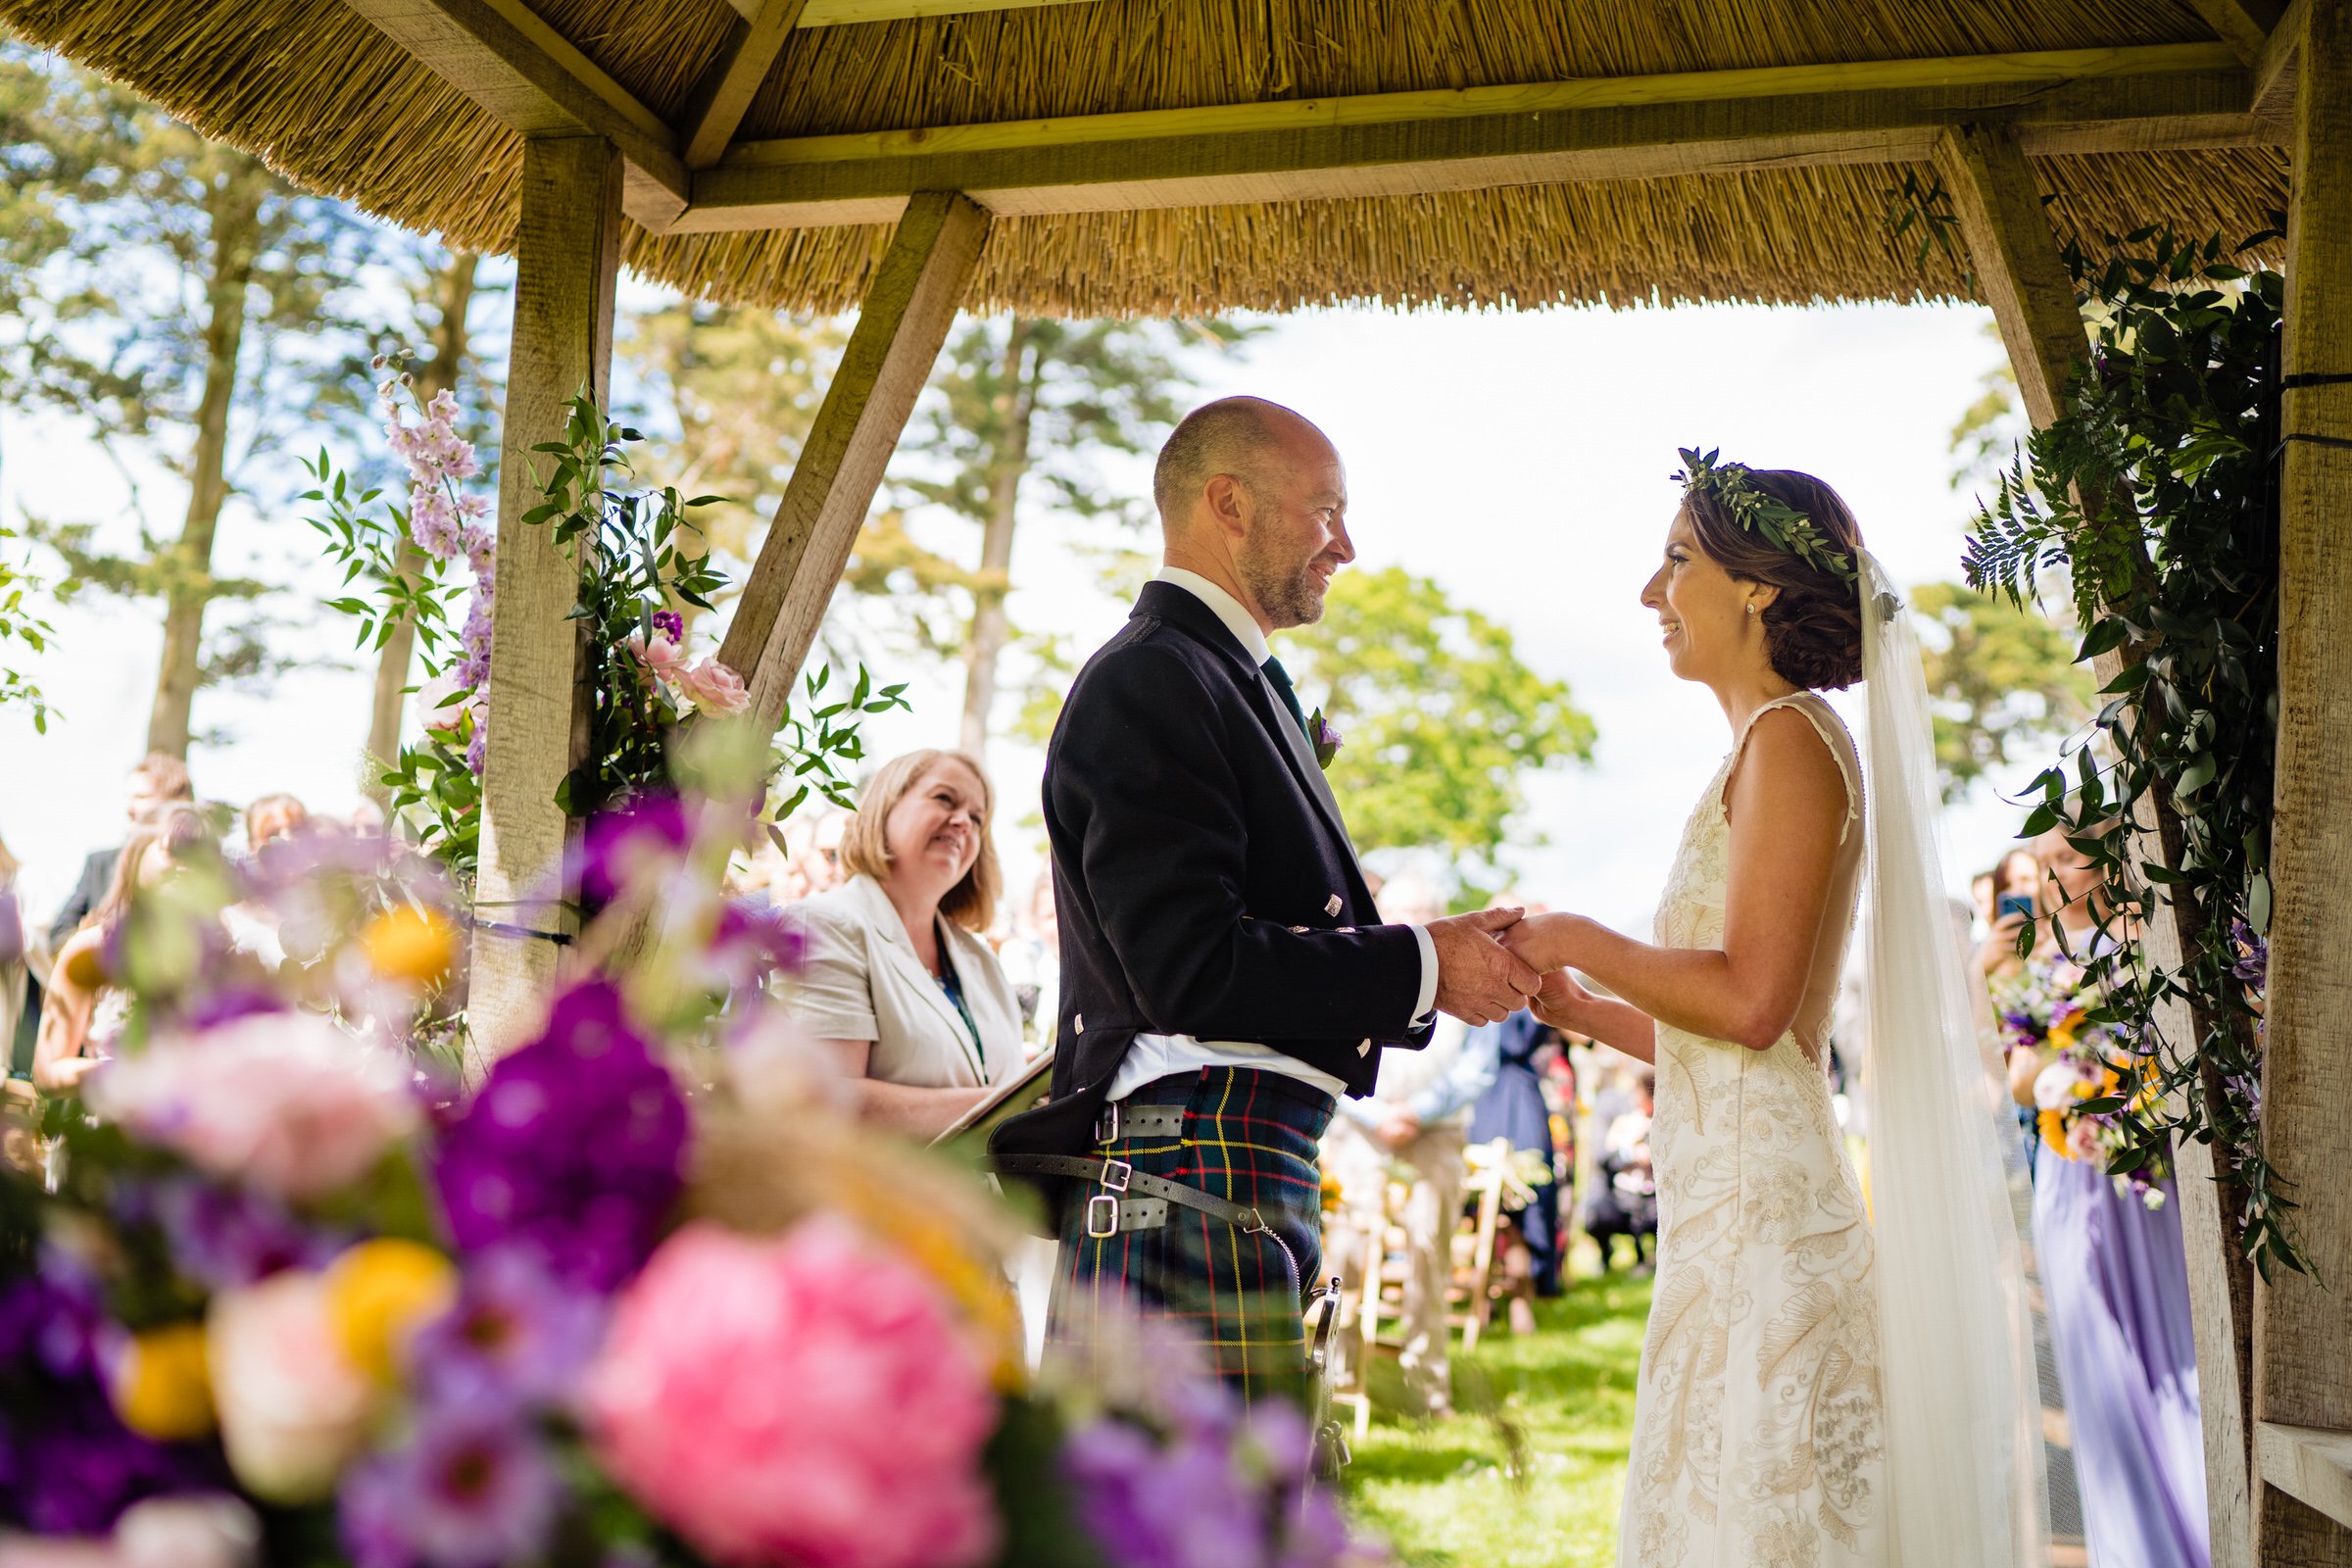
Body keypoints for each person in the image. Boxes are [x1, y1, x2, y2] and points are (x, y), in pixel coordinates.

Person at [1504, 458, 2043, 1565]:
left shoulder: (1792, 741)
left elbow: (1751, 1007)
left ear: (1754, 587)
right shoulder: (1757, 751)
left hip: (1764, 1234)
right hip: (1728, 1217)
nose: (1653, 594)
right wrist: (1579, 1006)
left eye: (1676, 560)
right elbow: (1766, 1040)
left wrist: (1571, 933)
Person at [991, 396, 1540, 1396]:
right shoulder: (1153, 678)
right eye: (1326, 510)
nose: (1348, 545)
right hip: (1194, 1160)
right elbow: (1191, 967)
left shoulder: (1217, 675)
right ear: (1230, 503)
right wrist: (1424, 961)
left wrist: (1438, 957)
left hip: (1224, 1159)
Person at [2002, 824, 2210, 1568]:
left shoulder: (2155, 941)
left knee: (2175, 1357)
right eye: (2043, 863)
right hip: (2071, 1177)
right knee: (2100, 1368)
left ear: (2111, 860)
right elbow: (2018, 1073)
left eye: (2066, 859)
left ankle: (2205, 1530)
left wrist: (2121, 1082)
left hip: (2146, 1177)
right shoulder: (2043, 955)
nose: (2052, 878)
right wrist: (2063, 1068)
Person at [791, 750, 1025, 1141]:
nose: (963, 821)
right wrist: (1007, 1106)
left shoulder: (980, 957)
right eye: (945, 799)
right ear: (886, 806)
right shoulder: (824, 923)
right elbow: (826, 1099)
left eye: (977, 817)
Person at [1322, 872, 1488, 1415]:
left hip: (1435, 1131)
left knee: (1428, 1252)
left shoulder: (1467, 975)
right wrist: (1375, 1112)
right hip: (1361, 1126)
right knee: (1344, 1248)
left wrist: (1417, 1112)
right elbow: (1329, 1053)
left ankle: (1427, 1387)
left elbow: (1476, 1068)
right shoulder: (1354, 964)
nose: (1408, 922)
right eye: (1397, 912)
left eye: (1421, 911)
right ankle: (1339, 1377)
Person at [35, 807, 216, 1095]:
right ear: (136, 856)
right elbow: (47, 1073)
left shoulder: (221, 958)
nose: (185, 867)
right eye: (174, 852)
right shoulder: (91, 948)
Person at [47, 752, 195, 951]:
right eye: (128, 797)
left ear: (177, 802)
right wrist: (88, 942)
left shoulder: (198, 870)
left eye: (141, 797)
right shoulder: (99, 863)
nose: (129, 808)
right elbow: (58, 935)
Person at [1584, 1070, 1657, 1275]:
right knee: (1623, 1209)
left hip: (1651, 1189)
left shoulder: (1658, 1119)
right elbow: (1604, 1152)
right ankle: (1614, 1255)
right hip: (1624, 1187)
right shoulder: (1625, 1119)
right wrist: (1631, 1152)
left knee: (1649, 1211)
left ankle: (1650, 1258)